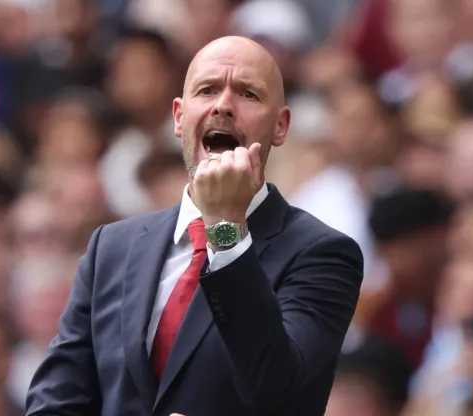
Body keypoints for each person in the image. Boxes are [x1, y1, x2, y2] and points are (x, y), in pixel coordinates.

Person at [26, 36, 364, 416]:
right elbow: (56, 401)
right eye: (207, 90)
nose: (223, 105)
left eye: (248, 94)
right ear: (178, 117)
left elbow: (275, 384)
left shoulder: (322, 253)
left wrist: (224, 226)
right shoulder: (111, 247)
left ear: (280, 126)